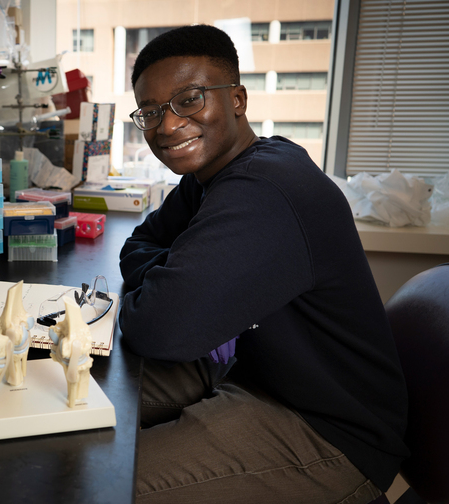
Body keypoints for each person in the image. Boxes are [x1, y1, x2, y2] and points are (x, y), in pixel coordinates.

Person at [118, 25, 408, 502]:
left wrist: (168, 286)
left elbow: (158, 328)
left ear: (237, 99)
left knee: (95, 484)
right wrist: (175, 274)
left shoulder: (264, 189)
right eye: (150, 112)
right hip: (255, 377)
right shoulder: (211, 173)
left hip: (325, 430)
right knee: (80, 399)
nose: (166, 125)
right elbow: (139, 243)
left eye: (189, 99)